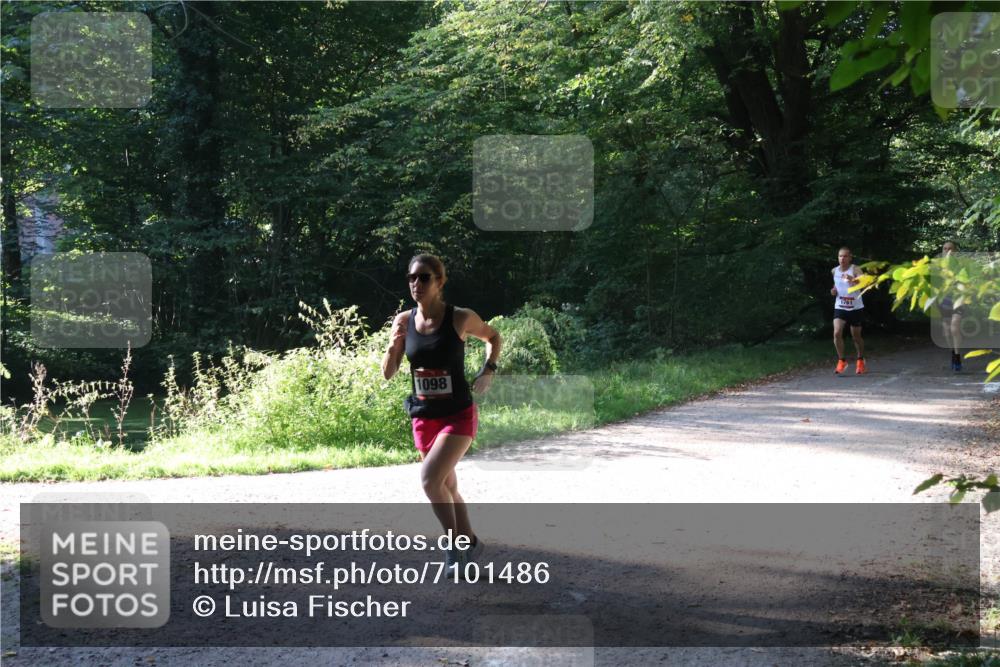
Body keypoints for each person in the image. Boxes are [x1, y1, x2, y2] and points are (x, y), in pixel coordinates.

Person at [381, 253, 502, 576]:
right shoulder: (403, 321)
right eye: (411, 278)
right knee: (447, 485)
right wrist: (393, 347)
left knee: (430, 480)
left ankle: (454, 549)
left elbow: (493, 336)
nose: (416, 284)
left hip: (458, 414)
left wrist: (488, 369)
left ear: (440, 281)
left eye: (423, 277)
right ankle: (471, 543)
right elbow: (388, 374)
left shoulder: (460, 318)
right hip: (423, 414)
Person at [831, 246, 866, 375]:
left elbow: (864, 283)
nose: (842, 258)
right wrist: (833, 291)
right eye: (840, 256)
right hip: (840, 306)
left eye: (845, 256)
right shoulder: (834, 271)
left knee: (856, 336)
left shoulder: (855, 269)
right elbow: (836, 285)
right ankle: (841, 361)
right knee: (837, 332)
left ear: (850, 257)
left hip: (855, 308)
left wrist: (853, 280)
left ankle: (860, 360)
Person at [939, 240, 964, 372]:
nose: (948, 251)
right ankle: (953, 353)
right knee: (947, 332)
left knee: (954, 328)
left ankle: (957, 356)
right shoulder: (938, 266)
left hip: (958, 299)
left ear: (955, 251)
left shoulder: (960, 266)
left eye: (950, 249)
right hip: (944, 300)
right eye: (945, 248)